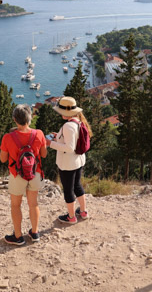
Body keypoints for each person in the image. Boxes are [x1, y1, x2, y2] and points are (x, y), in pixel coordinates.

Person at [0, 104, 47, 245]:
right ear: (30, 118)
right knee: (33, 204)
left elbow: (2, 159)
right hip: (35, 173)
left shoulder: (8, 137)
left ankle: (18, 236)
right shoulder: (39, 134)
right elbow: (43, 154)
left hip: (16, 175)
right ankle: (35, 232)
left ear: (15, 119)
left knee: (16, 205)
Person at [47, 96, 93, 224]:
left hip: (68, 164)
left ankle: (71, 217)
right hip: (78, 161)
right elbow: (72, 140)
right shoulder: (78, 121)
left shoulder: (68, 126)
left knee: (68, 190)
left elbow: (69, 147)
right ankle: (83, 212)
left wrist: (50, 143)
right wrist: (58, 137)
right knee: (77, 185)